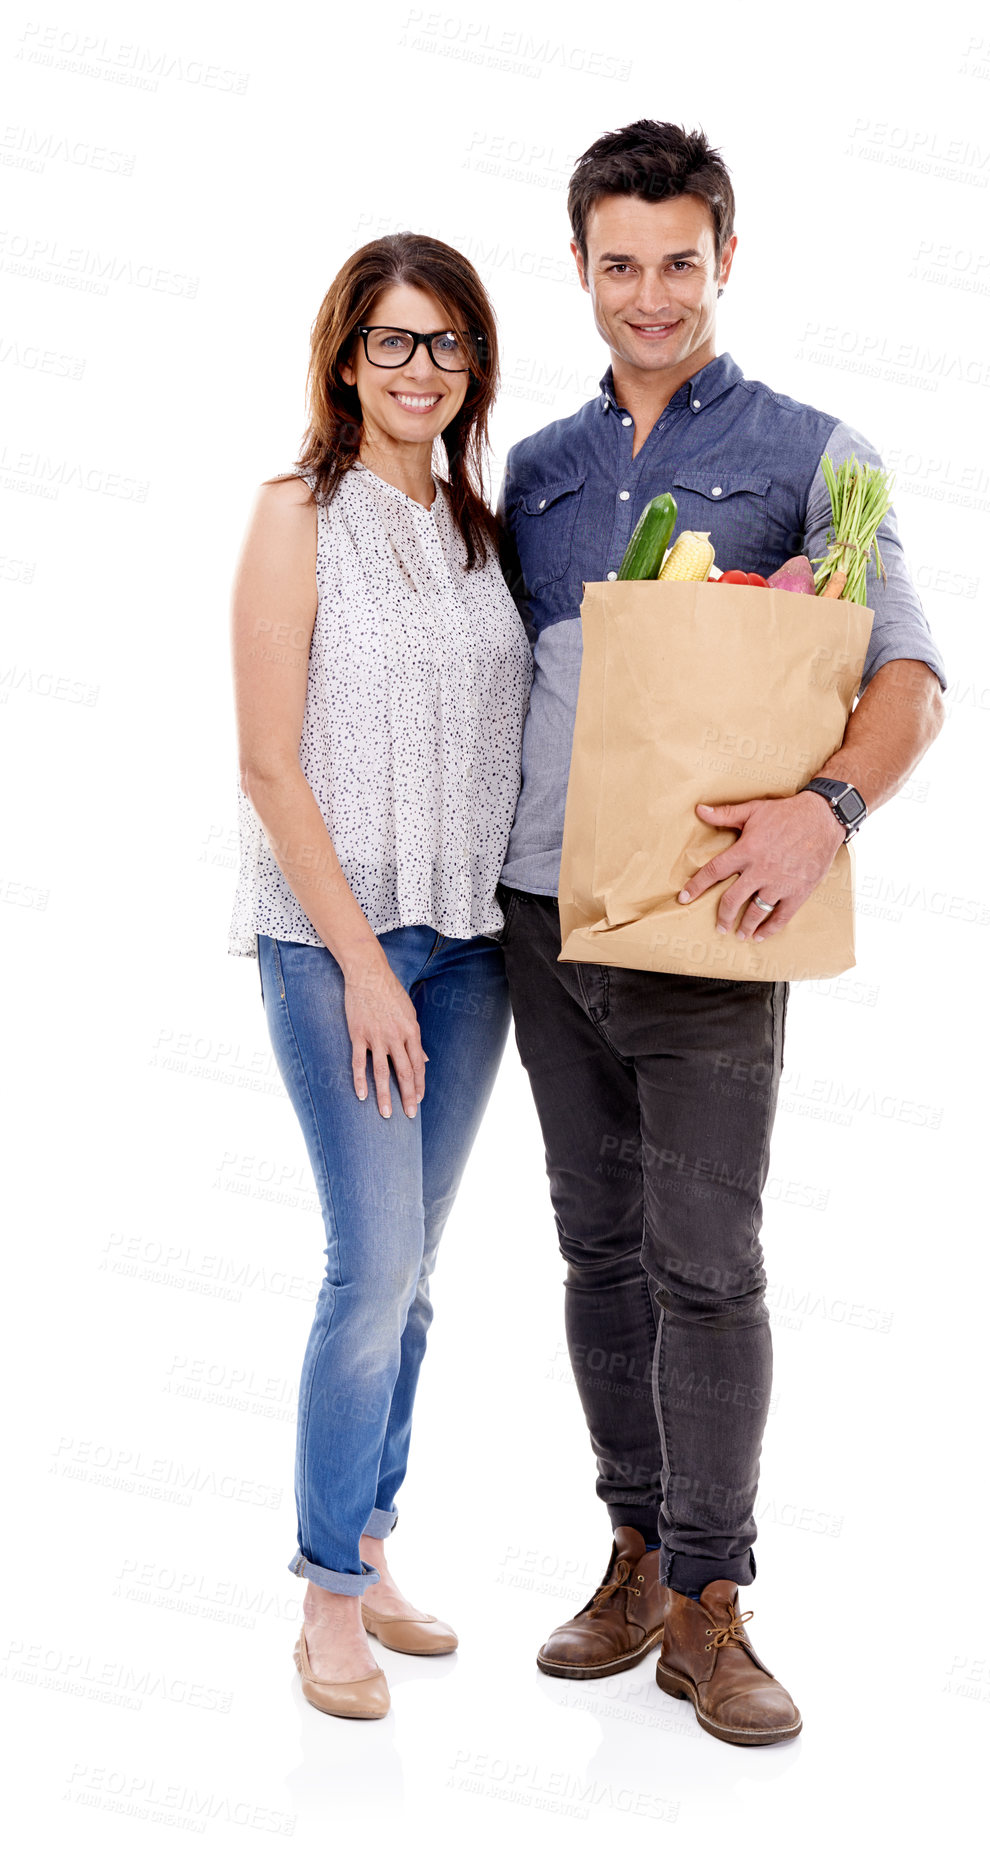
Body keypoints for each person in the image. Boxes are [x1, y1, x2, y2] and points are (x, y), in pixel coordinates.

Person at [494, 120, 947, 1746]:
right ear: (582, 271)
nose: (649, 292)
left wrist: (824, 810)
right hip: (539, 919)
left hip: (706, 926)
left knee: (708, 1260)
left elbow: (907, 675)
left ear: (723, 260)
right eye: (619, 263)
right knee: (595, 1249)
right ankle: (629, 1549)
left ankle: (712, 1599)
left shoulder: (813, 452)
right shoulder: (534, 469)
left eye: (677, 260)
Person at [227, 233, 533, 1719]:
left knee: (414, 1278)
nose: (424, 370)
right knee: (369, 1271)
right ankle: (324, 1601)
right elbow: (270, 763)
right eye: (395, 343)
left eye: (449, 344)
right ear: (346, 357)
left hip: (469, 947)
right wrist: (359, 963)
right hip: (335, 943)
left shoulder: (482, 529)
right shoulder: (297, 516)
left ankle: (368, 1536)